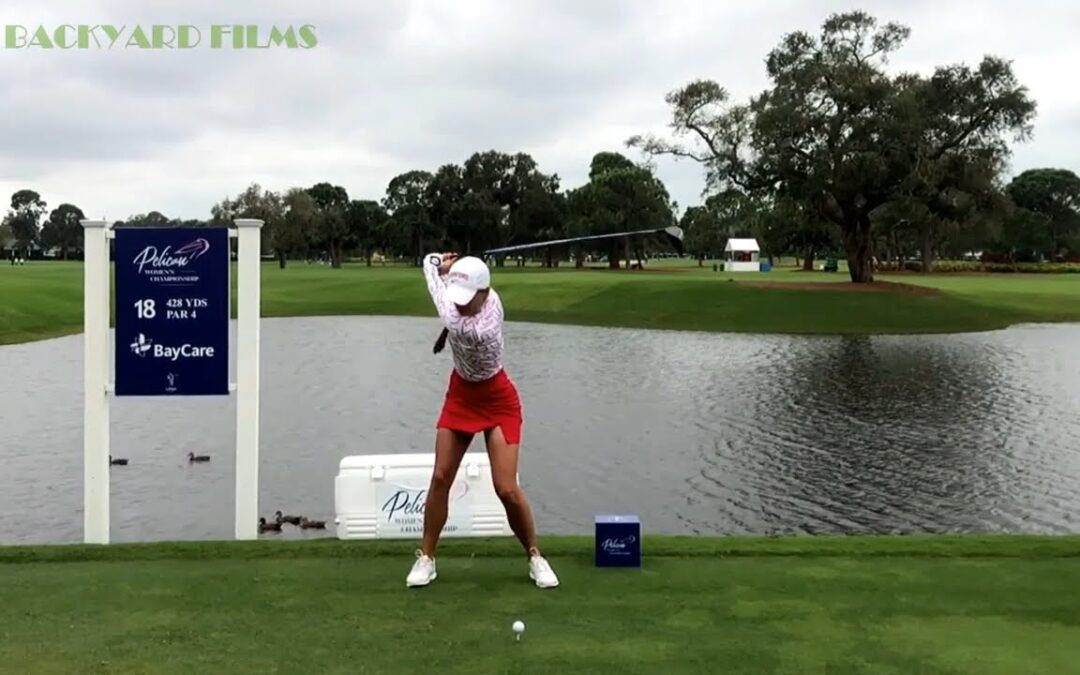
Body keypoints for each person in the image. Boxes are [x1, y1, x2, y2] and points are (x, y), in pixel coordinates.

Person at [406, 251, 559, 589]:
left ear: (486, 294)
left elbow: (435, 277)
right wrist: (448, 265)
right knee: (441, 475)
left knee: (505, 487)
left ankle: (535, 556)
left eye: (466, 300)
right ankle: (427, 558)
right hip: (461, 395)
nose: (459, 305)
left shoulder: (476, 323)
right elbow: (428, 261)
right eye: (457, 298)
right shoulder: (460, 297)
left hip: (498, 398)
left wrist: (443, 272)